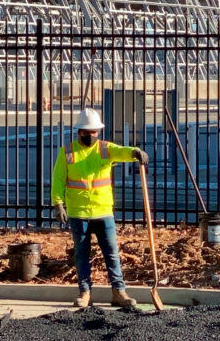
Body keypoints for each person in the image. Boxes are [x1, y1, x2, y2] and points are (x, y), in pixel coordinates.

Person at [51, 108, 148, 308]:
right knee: (81, 254)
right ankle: (84, 292)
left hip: (103, 211)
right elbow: (58, 180)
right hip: (79, 213)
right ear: (79, 132)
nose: (90, 135)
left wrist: (134, 152)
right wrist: (58, 204)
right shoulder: (67, 152)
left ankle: (118, 292)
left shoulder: (105, 148)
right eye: (86, 132)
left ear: (98, 131)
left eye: (93, 131)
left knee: (111, 253)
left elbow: (121, 151)